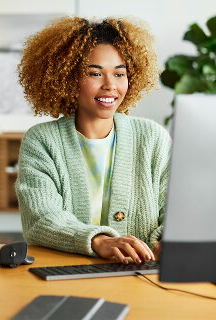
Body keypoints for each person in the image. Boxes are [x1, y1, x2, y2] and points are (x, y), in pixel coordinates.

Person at [15, 17, 171, 264]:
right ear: (67, 78)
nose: (110, 85)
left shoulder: (152, 138)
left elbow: (174, 211)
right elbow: (41, 218)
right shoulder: (42, 141)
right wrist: (100, 241)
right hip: (65, 273)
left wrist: (168, 242)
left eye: (120, 74)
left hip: (143, 277)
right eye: (95, 73)